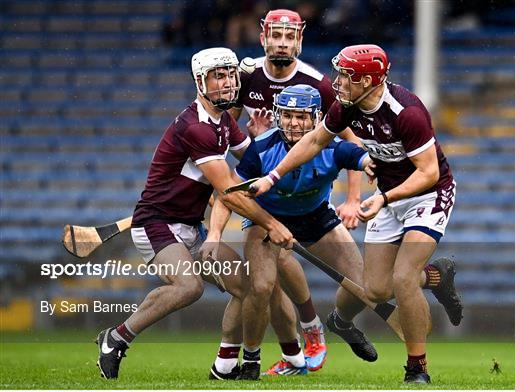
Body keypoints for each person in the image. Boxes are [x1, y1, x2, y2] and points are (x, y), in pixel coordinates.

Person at [248, 44, 464, 383]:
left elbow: (429, 173)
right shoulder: (345, 107)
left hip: (427, 195)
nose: (338, 82)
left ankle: (416, 368)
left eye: (346, 75)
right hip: (388, 198)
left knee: (404, 277)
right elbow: (314, 142)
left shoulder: (406, 112)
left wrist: (383, 197)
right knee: (375, 289)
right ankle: (436, 277)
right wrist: (272, 177)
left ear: (368, 81)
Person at [95, 47, 294, 380]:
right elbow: (230, 190)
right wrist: (272, 224)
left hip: (190, 226)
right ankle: (115, 338)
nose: (228, 82)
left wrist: (260, 138)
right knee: (189, 286)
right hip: (156, 224)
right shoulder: (197, 128)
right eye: (219, 75)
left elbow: (252, 163)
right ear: (200, 82)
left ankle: (225, 364)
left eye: (231, 74)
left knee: (246, 287)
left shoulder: (226, 121)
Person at [225, 9, 363, 372]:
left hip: (310, 199)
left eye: (290, 37)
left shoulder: (318, 85)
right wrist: (249, 147)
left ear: (299, 40)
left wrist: (352, 198)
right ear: (263, 38)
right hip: (267, 203)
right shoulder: (248, 75)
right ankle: (298, 343)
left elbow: (348, 142)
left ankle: (323, 328)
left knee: (362, 281)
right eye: (276, 36)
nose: (283, 43)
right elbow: (227, 130)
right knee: (265, 282)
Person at [212, 84, 380, 377]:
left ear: (316, 119)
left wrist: (369, 164)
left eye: (301, 117)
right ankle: (251, 359)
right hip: (267, 219)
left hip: (316, 217)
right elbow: (228, 193)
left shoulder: (332, 147)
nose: (293, 123)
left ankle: (338, 322)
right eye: (287, 115)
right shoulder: (262, 147)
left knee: (364, 287)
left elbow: (359, 155)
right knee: (261, 286)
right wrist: (220, 233)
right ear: (278, 115)